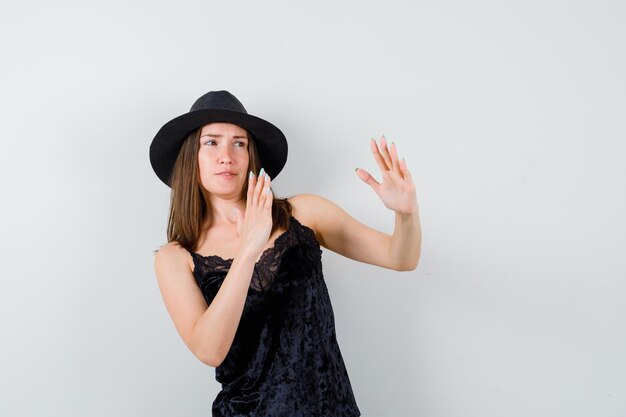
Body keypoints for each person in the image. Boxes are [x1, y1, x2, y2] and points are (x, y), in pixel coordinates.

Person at [150, 90, 421, 417]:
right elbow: (210, 350)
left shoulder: (304, 212)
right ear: (190, 155)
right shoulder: (174, 258)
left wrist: (406, 214)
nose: (227, 155)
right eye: (211, 142)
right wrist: (249, 250)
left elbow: (400, 257)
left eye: (239, 143)